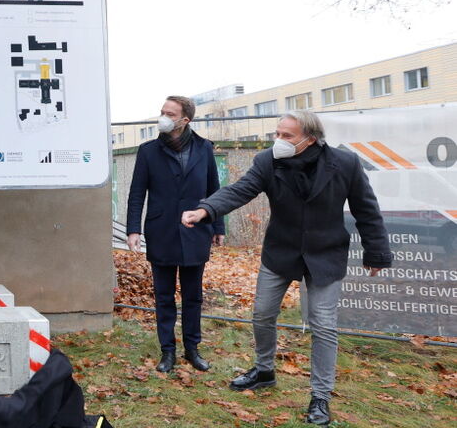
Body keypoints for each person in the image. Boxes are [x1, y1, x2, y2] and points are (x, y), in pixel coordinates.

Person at [181, 110, 393, 426]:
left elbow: (367, 209)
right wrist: (205, 209)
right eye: (277, 134)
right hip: (281, 251)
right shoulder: (268, 161)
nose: (278, 140)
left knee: (323, 323)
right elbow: (240, 190)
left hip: (325, 253)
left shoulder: (345, 164)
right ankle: (264, 370)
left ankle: (320, 396)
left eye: (287, 135)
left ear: (311, 138)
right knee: (263, 313)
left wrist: (377, 253)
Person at [126, 95, 225, 373]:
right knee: (164, 295)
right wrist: (133, 228)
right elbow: (136, 193)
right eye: (162, 112)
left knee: (193, 296)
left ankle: (192, 349)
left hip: (196, 231)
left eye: (170, 113)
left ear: (185, 120)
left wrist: (218, 226)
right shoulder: (148, 151)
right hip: (162, 231)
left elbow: (214, 190)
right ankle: (167, 352)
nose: (163, 117)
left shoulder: (204, 148)